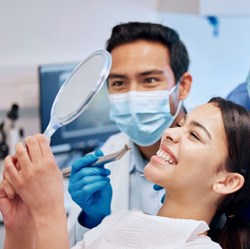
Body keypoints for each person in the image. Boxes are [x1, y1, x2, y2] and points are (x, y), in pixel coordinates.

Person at [1, 97, 250, 249]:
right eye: (180, 125)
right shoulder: (121, 222)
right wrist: (19, 224)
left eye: (194, 135)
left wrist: (48, 211)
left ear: (227, 181)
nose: (170, 133)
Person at [68, 21, 192, 243]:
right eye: (119, 83)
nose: (133, 95)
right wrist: (92, 218)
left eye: (150, 80)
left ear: (182, 86)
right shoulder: (109, 153)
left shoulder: (217, 156)